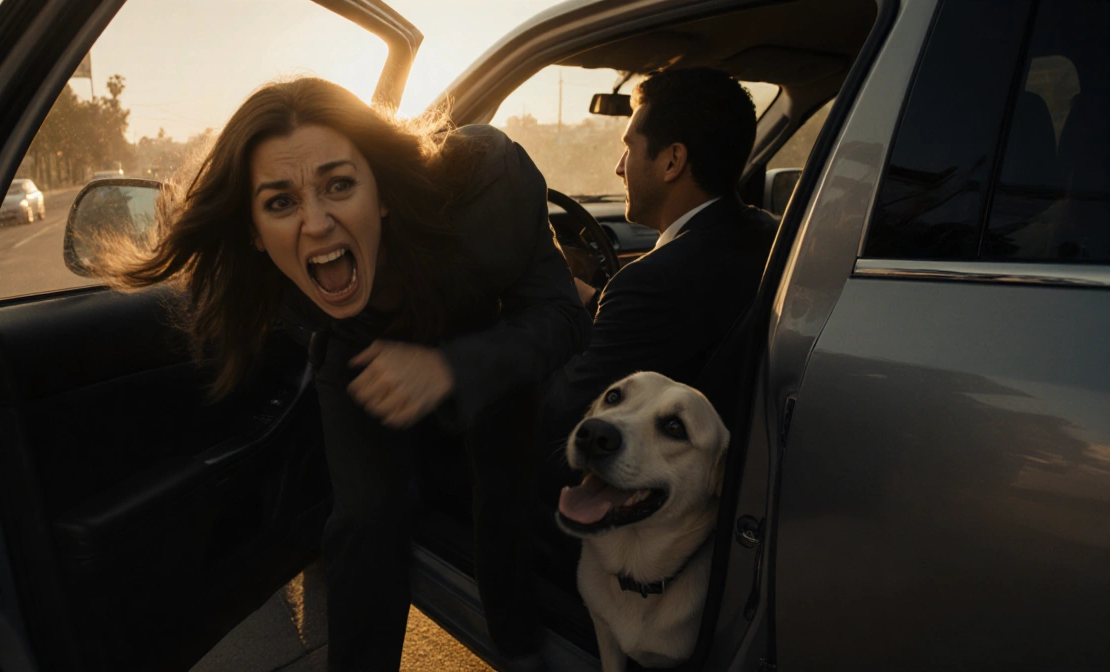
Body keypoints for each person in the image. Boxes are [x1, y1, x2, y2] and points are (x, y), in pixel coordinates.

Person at [111, 77, 591, 670]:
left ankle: (519, 648)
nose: (315, 222)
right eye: (280, 202)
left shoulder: (486, 184)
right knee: (364, 518)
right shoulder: (273, 288)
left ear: (382, 191)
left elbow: (562, 316)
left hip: (486, 336)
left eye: (339, 184)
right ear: (256, 234)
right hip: (359, 351)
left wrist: (449, 368)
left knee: (501, 499)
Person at [542, 67, 778, 457]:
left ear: (672, 161)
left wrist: (549, 310)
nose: (619, 167)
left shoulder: (652, 283)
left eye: (629, 148)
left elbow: (561, 420)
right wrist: (593, 301)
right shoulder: (770, 232)